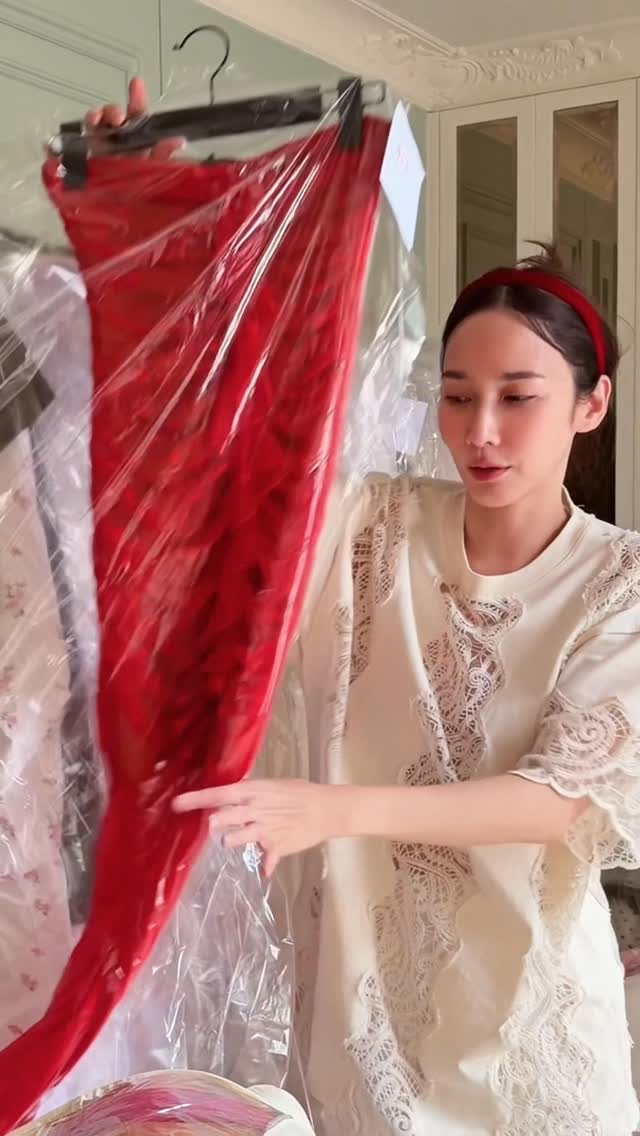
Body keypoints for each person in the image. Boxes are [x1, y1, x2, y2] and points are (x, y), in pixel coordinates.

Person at [94, 81, 640, 1135]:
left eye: (518, 397)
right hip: (352, 1025)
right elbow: (231, 430)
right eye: (456, 394)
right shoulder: (371, 524)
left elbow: (557, 801)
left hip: (526, 1046)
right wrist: (154, 214)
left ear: (591, 403)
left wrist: (331, 809)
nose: (480, 430)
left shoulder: (620, 582)